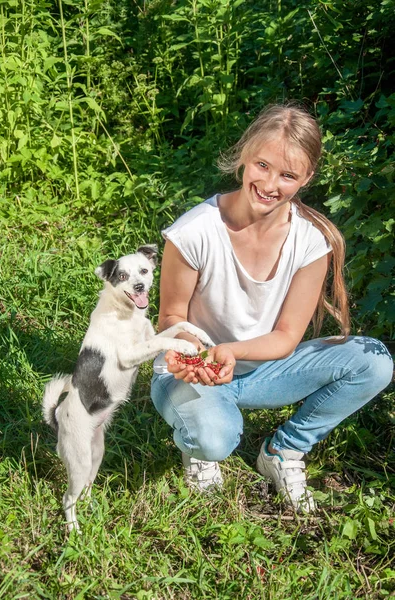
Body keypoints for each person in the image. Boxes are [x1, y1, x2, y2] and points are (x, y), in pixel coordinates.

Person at [150, 103, 393, 512]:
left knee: (375, 363)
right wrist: (200, 354)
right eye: (261, 165)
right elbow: (171, 318)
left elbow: (286, 336)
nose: (269, 183)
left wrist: (234, 352)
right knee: (215, 439)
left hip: (265, 369)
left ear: (307, 178)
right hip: (197, 371)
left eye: (287, 175)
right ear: (245, 156)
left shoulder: (312, 240)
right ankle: (200, 449)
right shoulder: (193, 232)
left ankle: (283, 451)